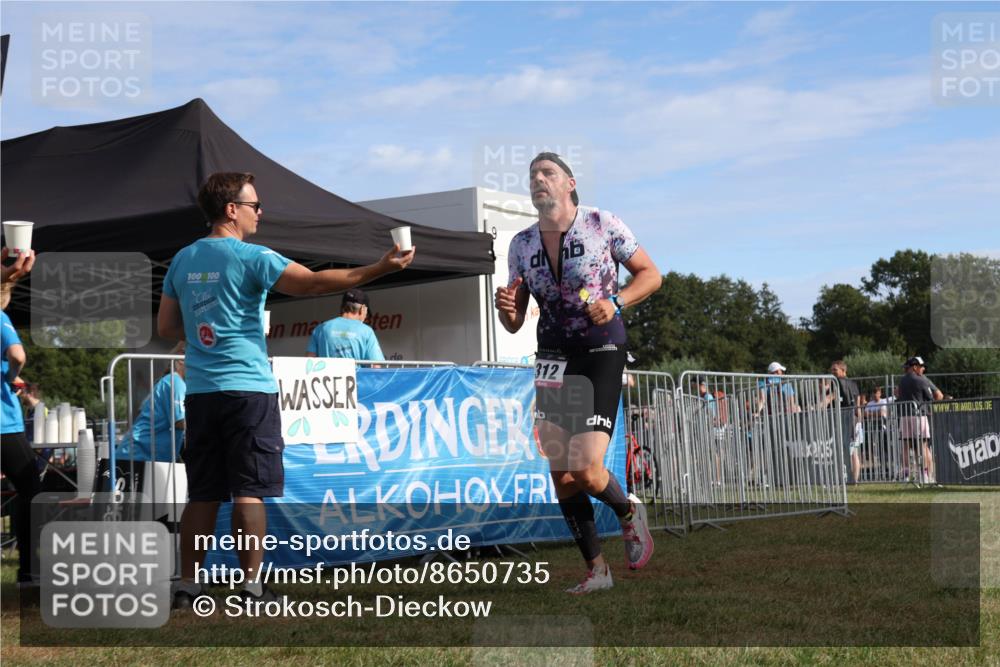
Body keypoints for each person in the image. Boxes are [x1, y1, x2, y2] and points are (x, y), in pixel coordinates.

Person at [158, 172, 414, 608]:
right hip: (248, 391)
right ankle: (252, 586)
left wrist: (207, 331)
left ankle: (186, 586)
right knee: (248, 490)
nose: (261, 212)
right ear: (231, 210)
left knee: (202, 492)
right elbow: (312, 282)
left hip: (200, 392)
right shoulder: (251, 256)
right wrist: (379, 268)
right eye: (254, 205)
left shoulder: (182, 259)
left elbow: (165, 328)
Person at [494, 152, 662, 594]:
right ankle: (597, 571)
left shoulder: (602, 223)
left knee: (586, 468)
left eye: (547, 173)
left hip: (600, 349)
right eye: (532, 176)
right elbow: (514, 321)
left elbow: (651, 274)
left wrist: (618, 301)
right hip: (551, 357)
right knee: (560, 472)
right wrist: (508, 311)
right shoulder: (521, 244)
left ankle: (629, 513)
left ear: (569, 184)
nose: (538, 180)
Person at [1, 271, 41, 586]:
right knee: (29, 489)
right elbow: (17, 354)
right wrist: (13, 374)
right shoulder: (0, 317)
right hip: (3, 425)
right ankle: (27, 569)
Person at [116, 342, 187, 463]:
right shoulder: (175, 381)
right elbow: (180, 422)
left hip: (140, 455)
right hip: (137, 456)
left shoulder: (170, 381)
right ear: (181, 359)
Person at [895, 356, 942, 483]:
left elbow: (897, 395)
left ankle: (905, 475)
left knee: (906, 446)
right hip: (918, 415)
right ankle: (925, 475)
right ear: (915, 367)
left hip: (904, 415)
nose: (923, 369)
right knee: (923, 446)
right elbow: (931, 397)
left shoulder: (901, 381)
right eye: (921, 367)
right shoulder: (921, 380)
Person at [306, 288, 385, 361]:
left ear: (342, 306)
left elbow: (309, 360)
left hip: (325, 376)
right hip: (356, 376)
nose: (366, 316)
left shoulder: (321, 329)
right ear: (363, 308)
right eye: (367, 313)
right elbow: (376, 366)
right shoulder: (366, 331)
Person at [824, 360, 862, 483]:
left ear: (843, 370)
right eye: (832, 370)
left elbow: (830, 398)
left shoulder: (836, 383)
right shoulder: (854, 384)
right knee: (853, 451)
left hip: (842, 420)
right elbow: (858, 405)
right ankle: (854, 480)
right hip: (853, 420)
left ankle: (843, 479)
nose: (832, 372)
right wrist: (859, 421)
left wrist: (818, 407)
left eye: (835, 369)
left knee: (842, 451)